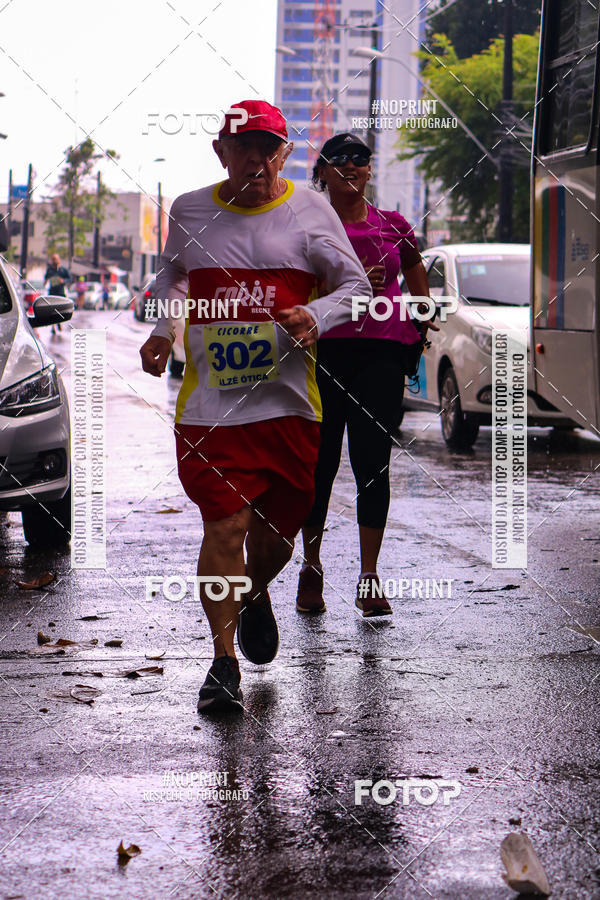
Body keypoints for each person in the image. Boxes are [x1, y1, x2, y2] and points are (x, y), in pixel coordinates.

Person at [139, 101, 371, 713]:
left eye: (270, 148)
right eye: (245, 147)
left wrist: (315, 315)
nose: (258, 159)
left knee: (273, 539)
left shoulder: (309, 210)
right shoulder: (190, 210)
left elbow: (357, 288)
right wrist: (165, 329)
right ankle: (222, 664)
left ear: (285, 154)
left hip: (289, 407)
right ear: (222, 153)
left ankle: (252, 593)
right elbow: (172, 279)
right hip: (211, 410)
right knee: (224, 525)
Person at [296, 132, 437, 618]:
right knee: (321, 465)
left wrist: (421, 317)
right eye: (338, 161)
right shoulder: (306, 225)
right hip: (325, 354)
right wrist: (340, 282)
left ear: (369, 170)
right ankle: (310, 567)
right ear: (323, 173)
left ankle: (369, 576)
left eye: (360, 159)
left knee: (372, 464)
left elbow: (418, 289)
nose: (351, 167)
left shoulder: (394, 225)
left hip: (380, 354)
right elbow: (292, 287)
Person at [44, 252, 70, 333]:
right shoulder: (49, 270)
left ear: (59, 260)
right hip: (52, 292)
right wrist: (45, 282)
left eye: (56, 259)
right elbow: (45, 279)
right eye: (53, 259)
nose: (54, 261)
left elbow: (69, 279)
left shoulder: (63, 270)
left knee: (60, 310)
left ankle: (59, 323)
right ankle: (53, 327)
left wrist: (63, 281)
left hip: (60, 293)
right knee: (52, 310)